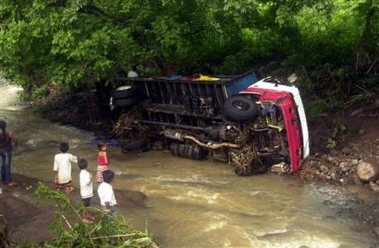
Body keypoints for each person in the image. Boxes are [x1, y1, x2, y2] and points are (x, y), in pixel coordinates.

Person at [0, 120, 17, 187]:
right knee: (7, 165)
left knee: (2, 164)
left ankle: (2, 178)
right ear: (5, 127)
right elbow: (13, 143)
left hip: (0, 151)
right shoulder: (8, 134)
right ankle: (9, 181)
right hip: (7, 151)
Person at [78, 158, 95, 223]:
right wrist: (91, 178)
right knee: (85, 206)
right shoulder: (85, 174)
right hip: (86, 193)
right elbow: (87, 183)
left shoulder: (83, 173)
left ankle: (87, 215)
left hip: (86, 192)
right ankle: (84, 218)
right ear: (87, 165)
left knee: (87, 205)